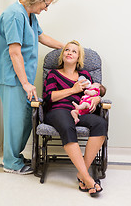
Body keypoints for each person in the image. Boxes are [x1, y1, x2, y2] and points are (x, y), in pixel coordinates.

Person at [0, 0, 64, 175]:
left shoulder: (29, 15)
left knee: (23, 119)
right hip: (12, 77)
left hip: (22, 78)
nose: (46, 9)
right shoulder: (14, 15)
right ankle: (11, 163)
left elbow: (41, 36)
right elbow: (14, 52)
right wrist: (25, 83)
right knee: (15, 121)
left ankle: (15, 156)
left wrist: (65, 47)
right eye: (46, 4)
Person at [43, 40, 107, 197]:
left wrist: (96, 100)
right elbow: (48, 97)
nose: (69, 52)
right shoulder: (53, 74)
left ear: (78, 58)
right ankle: (87, 178)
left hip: (79, 111)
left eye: (74, 51)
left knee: (100, 123)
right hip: (57, 111)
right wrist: (73, 89)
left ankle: (81, 174)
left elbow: (95, 91)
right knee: (67, 126)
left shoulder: (85, 76)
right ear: (63, 54)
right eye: (67, 50)